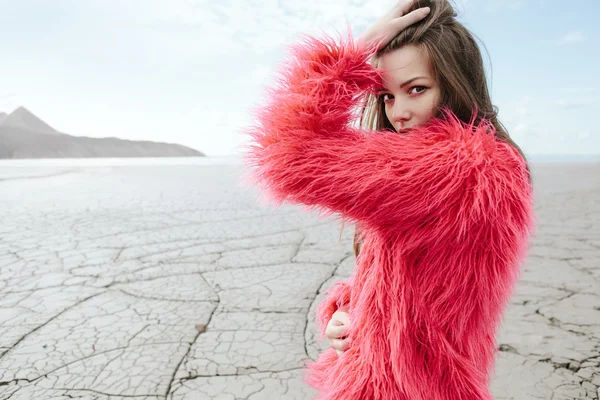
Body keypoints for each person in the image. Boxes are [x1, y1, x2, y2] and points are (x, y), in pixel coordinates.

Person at [243, 0, 536, 399]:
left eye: (417, 89)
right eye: (385, 96)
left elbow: (286, 155)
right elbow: (413, 278)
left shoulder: (459, 168)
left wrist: (350, 57)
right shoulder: (484, 165)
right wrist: (347, 312)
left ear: (455, 84)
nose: (399, 112)